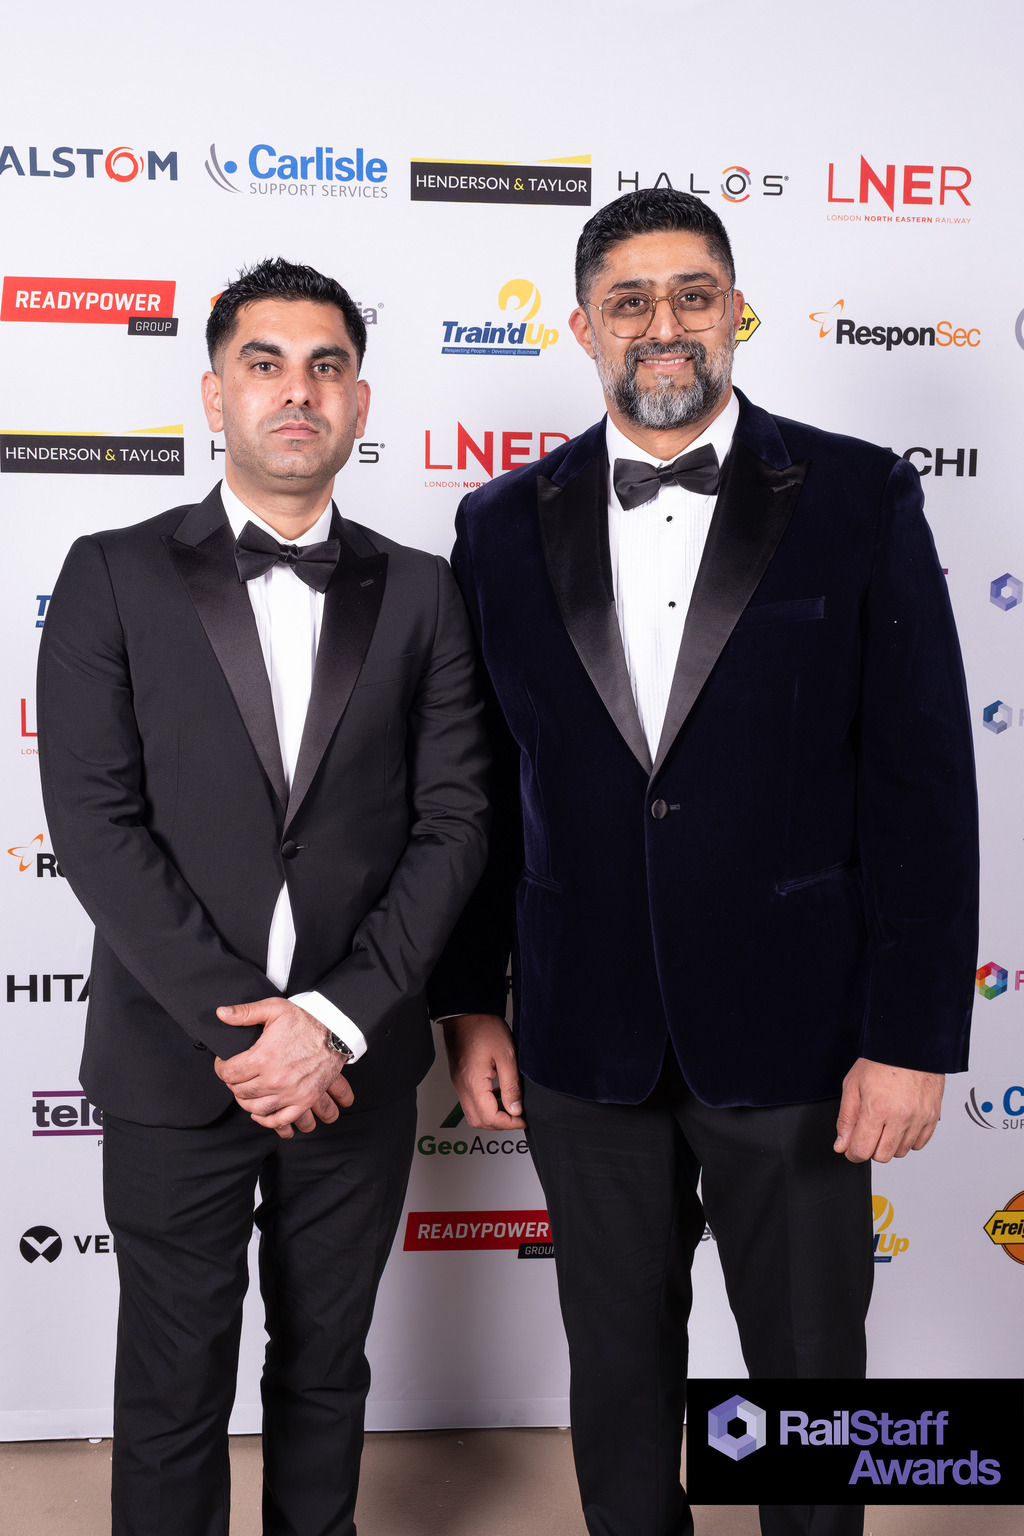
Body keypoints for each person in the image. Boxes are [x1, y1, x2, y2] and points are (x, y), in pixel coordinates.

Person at [430, 190, 978, 1536]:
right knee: (618, 1377)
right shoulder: (496, 525)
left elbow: (921, 783)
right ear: (582, 329)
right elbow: (483, 786)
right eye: (629, 300)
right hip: (582, 1035)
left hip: (801, 1038)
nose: (663, 324)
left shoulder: (856, 494)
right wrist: (470, 997)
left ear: (735, 309)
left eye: (693, 293)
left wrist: (911, 1037)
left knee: (807, 1374)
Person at [37, 257, 489, 1536]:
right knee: (172, 1384)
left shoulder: (423, 590)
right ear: (213, 394)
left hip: (354, 1063)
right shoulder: (109, 572)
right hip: (175, 1062)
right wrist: (254, 1034)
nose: (298, 391)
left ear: (359, 404)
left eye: (326, 367)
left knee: (326, 1370)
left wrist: (331, 1023)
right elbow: (96, 825)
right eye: (265, 363)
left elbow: (455, 822)